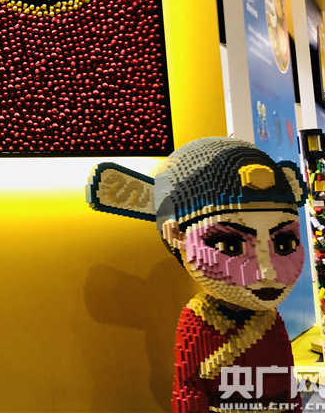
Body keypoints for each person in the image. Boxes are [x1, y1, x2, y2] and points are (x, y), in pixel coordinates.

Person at [87, 137, 306, 412]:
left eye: (284, 243)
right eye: (230, 245)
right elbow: (189, 388)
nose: (267, 271)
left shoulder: (270, 319)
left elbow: (288, 382)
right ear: (176, 234)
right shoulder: (199, 320)